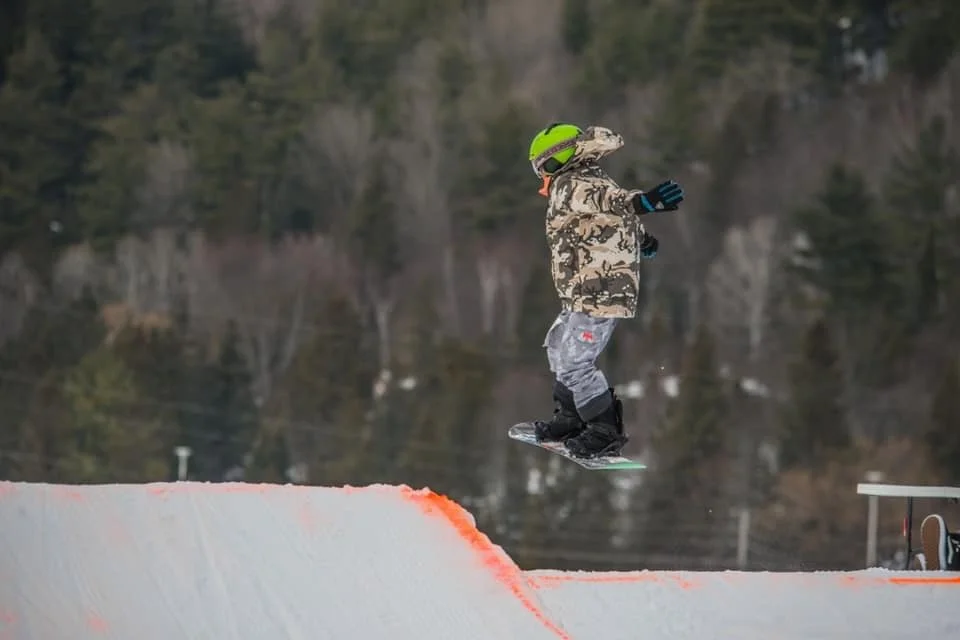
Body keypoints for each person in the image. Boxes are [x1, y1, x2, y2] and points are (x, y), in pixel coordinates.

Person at [526, 123, 685, 458]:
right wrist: (644, 239)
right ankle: (571, 416)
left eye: (545, 167)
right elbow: (613, 214)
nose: (545, 178)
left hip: (600, 291)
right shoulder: (592, 180)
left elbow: (609, 201)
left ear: (563, 159)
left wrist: (644, 202)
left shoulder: (573, 185)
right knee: (558, 346)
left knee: (575, 363)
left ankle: (604, 430)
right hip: (582, 290)